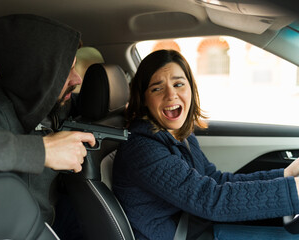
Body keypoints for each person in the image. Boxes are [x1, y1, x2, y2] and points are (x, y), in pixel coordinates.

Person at [112, 49, 299, 240]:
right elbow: (209, 199)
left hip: (196, 227)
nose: (171, 95)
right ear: (144, 100)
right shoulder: (141, 149)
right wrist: (294, 190)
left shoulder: (180, 135)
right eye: (157, 88)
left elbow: (214, 179)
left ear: (191, 89)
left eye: (178, 84)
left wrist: (287, 175)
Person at [0, 14, 95, 238]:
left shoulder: (53, 102)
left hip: (56, 220)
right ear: (40, 73)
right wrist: (42, 151)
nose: (77, 79)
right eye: (67, 70)